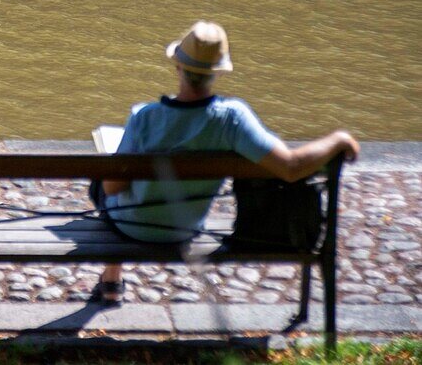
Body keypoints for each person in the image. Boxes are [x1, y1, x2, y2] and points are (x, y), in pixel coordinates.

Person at [90, 21, 360, 306]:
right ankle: (111, 278)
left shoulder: (144, 116)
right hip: (185, 227)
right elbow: (291, 167)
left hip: (131, 226)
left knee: (101, 182)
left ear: (177, 67)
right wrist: (339, 139)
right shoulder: (232, 119)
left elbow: (112, 187)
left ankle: (112, 278)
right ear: (216, 72)